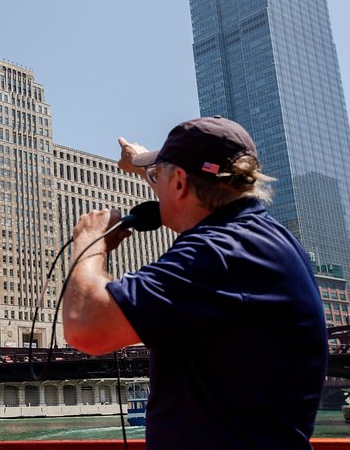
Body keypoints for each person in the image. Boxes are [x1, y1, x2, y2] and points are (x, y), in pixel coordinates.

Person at [62, 116, 327, 449]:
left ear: (179, 184)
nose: (154, 186)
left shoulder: (215, 253)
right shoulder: (260, 239)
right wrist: (146, 163)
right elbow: (189, 184)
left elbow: (85, 327)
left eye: (160, 177)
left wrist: (89, 242)